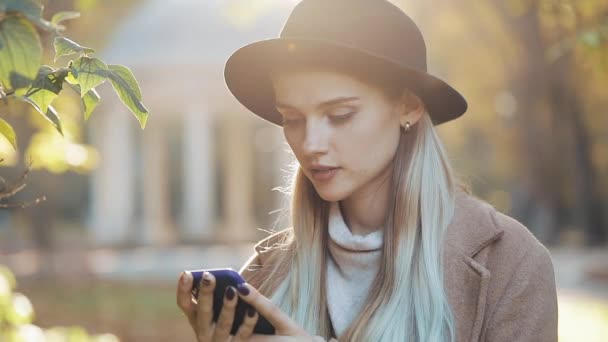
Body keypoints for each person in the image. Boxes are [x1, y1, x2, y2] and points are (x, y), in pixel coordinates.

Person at [176, 0, 559, 341]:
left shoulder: (511, 265)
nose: (310, 144)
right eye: (291, 118)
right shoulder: (262, 277)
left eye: (340, 115)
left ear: (409, 107)